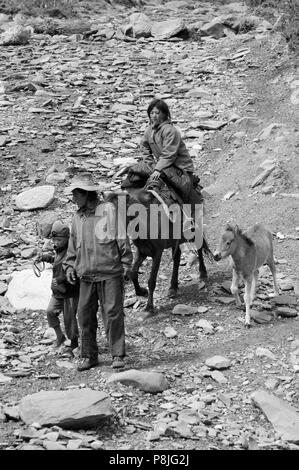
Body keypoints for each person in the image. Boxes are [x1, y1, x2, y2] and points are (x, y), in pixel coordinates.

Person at [63, 172, 133, 372]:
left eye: (77, 193)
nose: (74, 197)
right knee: (84, 315)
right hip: (86, 275)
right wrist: (69, 265)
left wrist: (127, 263)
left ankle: (118, 354)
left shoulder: (108, 210)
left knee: (112, 314)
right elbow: (73, 244)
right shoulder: (77, 217)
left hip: (109, 272)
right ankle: (89, 356)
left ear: (87, 193)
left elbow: (121, 237)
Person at [140, 98, 203, 205]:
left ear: (164, 114)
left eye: (157, 113)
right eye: (151, 113)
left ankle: (191, 203)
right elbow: (144, 146)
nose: (154, 116)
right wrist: (150, 164)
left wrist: (157, 170)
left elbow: (169, 154)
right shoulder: (149, 130)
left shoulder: (170, 130)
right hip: (163, 165)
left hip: (180, 166)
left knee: (168, 184)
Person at [36, 220, 79, 352]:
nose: (55, 242)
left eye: (59, 239)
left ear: (67, 238)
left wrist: (61, 279)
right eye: (54, 239)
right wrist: (44, 257)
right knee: (50, 312)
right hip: (58, 291)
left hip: (70, 291)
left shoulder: (72, 252)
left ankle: (74, 342)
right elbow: (56, 261)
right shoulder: (59, 250)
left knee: (69, 319)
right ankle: (60, 337)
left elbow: (77, 271)